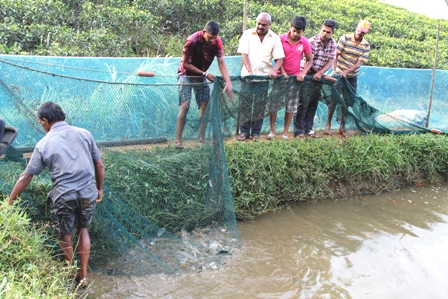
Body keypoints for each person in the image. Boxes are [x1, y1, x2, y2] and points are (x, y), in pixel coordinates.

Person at [8, 101, 104, 287]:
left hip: (64, 195)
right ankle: (83, 276)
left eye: (40, 122)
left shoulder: (44, 143)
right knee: (83, 230)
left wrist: (10, 201)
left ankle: (70, 274)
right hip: (87, 192)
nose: (41, 125)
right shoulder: (85, 134)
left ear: (45, 120)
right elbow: (99, 165)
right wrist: (99, 189)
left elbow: (26, 176)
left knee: (65, 234)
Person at [176, 20, 233, 148]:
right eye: (210, 38)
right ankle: (178, 141)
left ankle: (200, 140)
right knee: (185, 106)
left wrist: (228, 81)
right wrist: (205, 74)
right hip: (186, 74)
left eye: (214, 38)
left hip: (202, 74)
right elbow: (185, 64)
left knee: (204, 106)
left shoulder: (217, 41)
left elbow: (221, 63)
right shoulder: (192, 41)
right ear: (204, 32)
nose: (212, 41)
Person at [236, 12, 284, 141]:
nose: (260, 26)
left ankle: (256, 133)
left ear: (269, 24)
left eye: (263, 24)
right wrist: (250, 71)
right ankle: (244, 132)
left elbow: (280, 59)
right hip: (247, 77)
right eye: (258, 23)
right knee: (245, 104)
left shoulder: (275, 38)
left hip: (263, 78)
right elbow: (244, 54)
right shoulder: (247, 34)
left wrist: (274, 70)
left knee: (260, 106)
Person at [268, 16, 313, 140]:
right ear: (290, 27)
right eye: (293, 30)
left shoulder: (305, 42)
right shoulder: (280, 39)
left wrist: (303, 73)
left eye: (298, 32)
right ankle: (272, 130)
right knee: (274, 104)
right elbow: (277, 57)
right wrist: (281, 71)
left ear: (303, 31)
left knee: (291, 106)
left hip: (294, 79)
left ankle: (285, 132)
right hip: (279, 78)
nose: (295, 34)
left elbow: (310, 61)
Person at [325, 19, 371, 138]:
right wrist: (336, 71)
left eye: (363, 32)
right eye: (359, 30)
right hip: (339, 73)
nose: (360, 33)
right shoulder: (345, 38)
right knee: (334, 99)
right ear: (356, 28)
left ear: (366, 32)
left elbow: (358, 63)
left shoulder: (366, 45)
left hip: (351, 76)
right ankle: (328, 125)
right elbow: (336, 55)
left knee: (348, 102)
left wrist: (347, 71)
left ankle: (342, 127)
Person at [293, 19, 337, 139]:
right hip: (307, 76)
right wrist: (316, 73)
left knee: (313, 103)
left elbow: (330, 61)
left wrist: (320, 73)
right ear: (320, 29)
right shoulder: (312, 41)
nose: (325, 34)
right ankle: (299, 130)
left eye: (328, 32)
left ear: (332, 33)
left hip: (318, 77)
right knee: (303, 104)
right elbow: (308, 60)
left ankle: (308, 129)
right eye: (323, 31)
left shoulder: (333, 43)